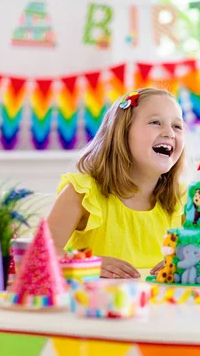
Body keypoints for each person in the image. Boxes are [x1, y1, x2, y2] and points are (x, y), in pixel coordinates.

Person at [47, 88, 186, 279]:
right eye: (155, 122)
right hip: (94, 306)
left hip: (160, 307)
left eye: (177, 126)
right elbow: (40, 253)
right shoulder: (83, 193)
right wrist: (88, 262)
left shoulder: (185, 201)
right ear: (122, 132)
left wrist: (184, 263)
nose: (170, 133)